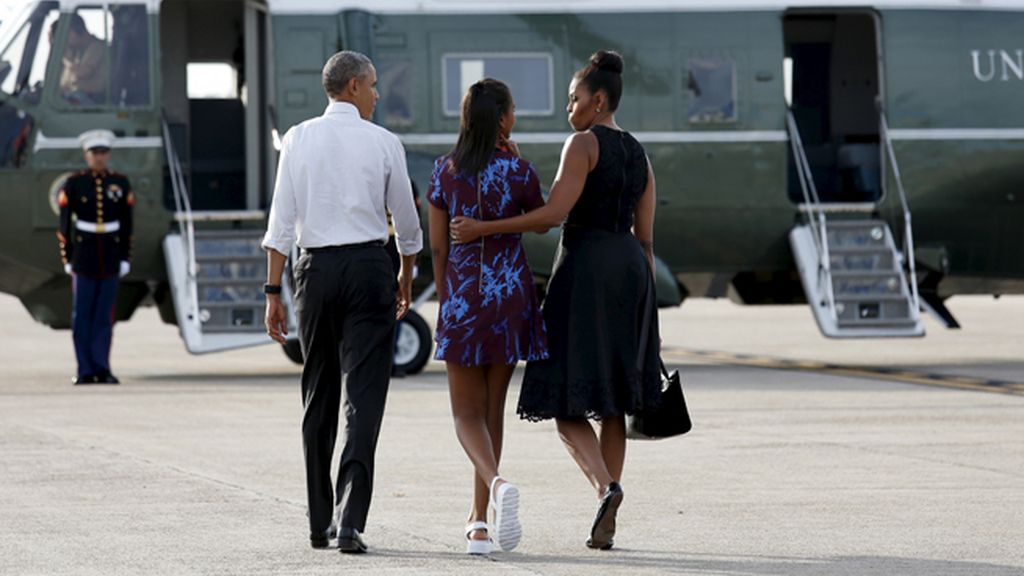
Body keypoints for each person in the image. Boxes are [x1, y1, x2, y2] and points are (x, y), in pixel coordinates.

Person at [450, 51, 661, 551]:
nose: (570, 107)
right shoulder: (640, 154)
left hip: (585, 269)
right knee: (614, 402)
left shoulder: (583, 144)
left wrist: (484, 227)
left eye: (574, 98)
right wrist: (645, 303)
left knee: (565, 400)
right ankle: (608, 504)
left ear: (599, 100)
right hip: (632, 272)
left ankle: (605, 487)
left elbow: (554, 214)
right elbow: (648, 237)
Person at [262, 50, 422, 554]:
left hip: (314, 272)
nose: (378, 94)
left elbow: (280, 223)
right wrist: (406, 273)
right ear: (352, 86)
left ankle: (317, 521)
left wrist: (273, 292)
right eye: (373, 85)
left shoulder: (297, 138)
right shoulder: (383, 142)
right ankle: (350, 519)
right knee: (364, 395)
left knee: (319, 392)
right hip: (369, 268)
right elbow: (406, 221)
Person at [428, 78, 548, 555]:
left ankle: (493, 492)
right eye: (512, 110)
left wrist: (446, 297)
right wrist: (516, 162)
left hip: (464, 295)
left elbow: (439, 245)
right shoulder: (519, 172)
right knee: (492, 411)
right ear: (501, 120)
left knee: (464, 413)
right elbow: (540, 221)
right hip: (510, 295)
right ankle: (480, 520)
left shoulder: (445, 170)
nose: (515, 116)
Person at [56, 129, 134, 385]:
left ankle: (103, 367)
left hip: (110, 255)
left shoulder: (120, 183)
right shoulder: (75, 183)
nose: (99, 158)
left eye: (103, 152)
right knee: (82, 316)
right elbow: (64, 224)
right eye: (94, 153)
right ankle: (85, 369)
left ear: (108, 155)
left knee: (104, 316)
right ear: (86, 155)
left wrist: (125, 257)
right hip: (84, 255)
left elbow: (127, 224)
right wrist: (67, 258)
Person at [56, 14, 108, 104]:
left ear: (75, 32)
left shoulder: (97, 47)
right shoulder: (78, 51)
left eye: (67, 34)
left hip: (93, 99)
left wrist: (64, 56)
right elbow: (65, 84)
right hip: (79, 95)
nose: (66, 40)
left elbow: (81, 73)